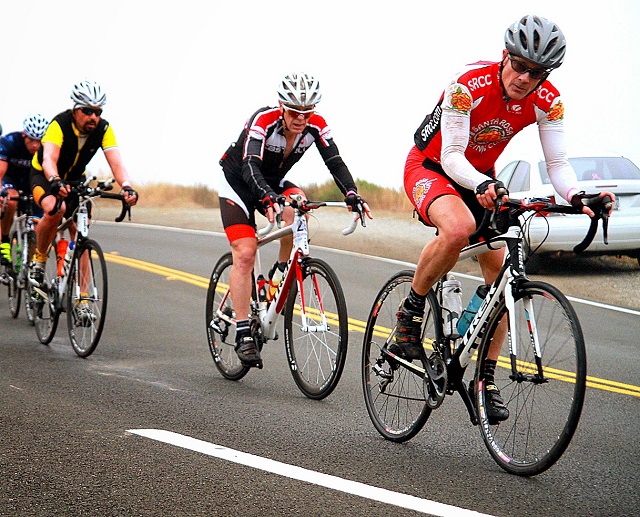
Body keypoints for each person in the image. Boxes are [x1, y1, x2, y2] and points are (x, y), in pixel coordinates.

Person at [396, 15, 615, 422]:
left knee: (502, 283)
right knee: (459, 227)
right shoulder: (467, 85)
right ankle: (409, 315)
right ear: (505, 56)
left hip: (482, 179)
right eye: (518, 65)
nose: (524, 77)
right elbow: (452, 155)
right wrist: (483, 184)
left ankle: (486, 379)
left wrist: (579, 194)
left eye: (536, 72)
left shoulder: (549, 100)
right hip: (432, 167)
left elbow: (558, 164)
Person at [218, 72, 372, 367]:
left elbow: (335, 161)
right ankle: (242, 333)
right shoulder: (263, 121)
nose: (301, 119)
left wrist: (352, 193)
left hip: (273, 180)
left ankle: (278, 274)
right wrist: (265, 197)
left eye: (307, 112)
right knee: (246, 252)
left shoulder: (316, 126)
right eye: (294, 112)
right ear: (281, 106)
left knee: (299, 207)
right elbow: (251, 164)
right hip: (238, 181)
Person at [29, 80, 138, 322]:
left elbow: (116, 162)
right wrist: (55, 180)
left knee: (81, 229)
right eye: (87, 111)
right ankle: (39, 260)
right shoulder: (59, 124)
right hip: (46, 176)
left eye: (98, 112)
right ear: (76, 109)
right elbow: (49, 158)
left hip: (75, 180)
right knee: (56, 209)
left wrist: (127, 186)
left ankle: (83, 299)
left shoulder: (104, 129)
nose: (93, 117)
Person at [0, 114, 49, 265]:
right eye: (31, 139)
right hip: (12, 181)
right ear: (23, 135)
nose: (35, 145)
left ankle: (30, 269)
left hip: (33, 184)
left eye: (39, 141)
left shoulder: (48, 148)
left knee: (37, 228)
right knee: (11, 201)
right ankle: (5, 241)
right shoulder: (10, 142)